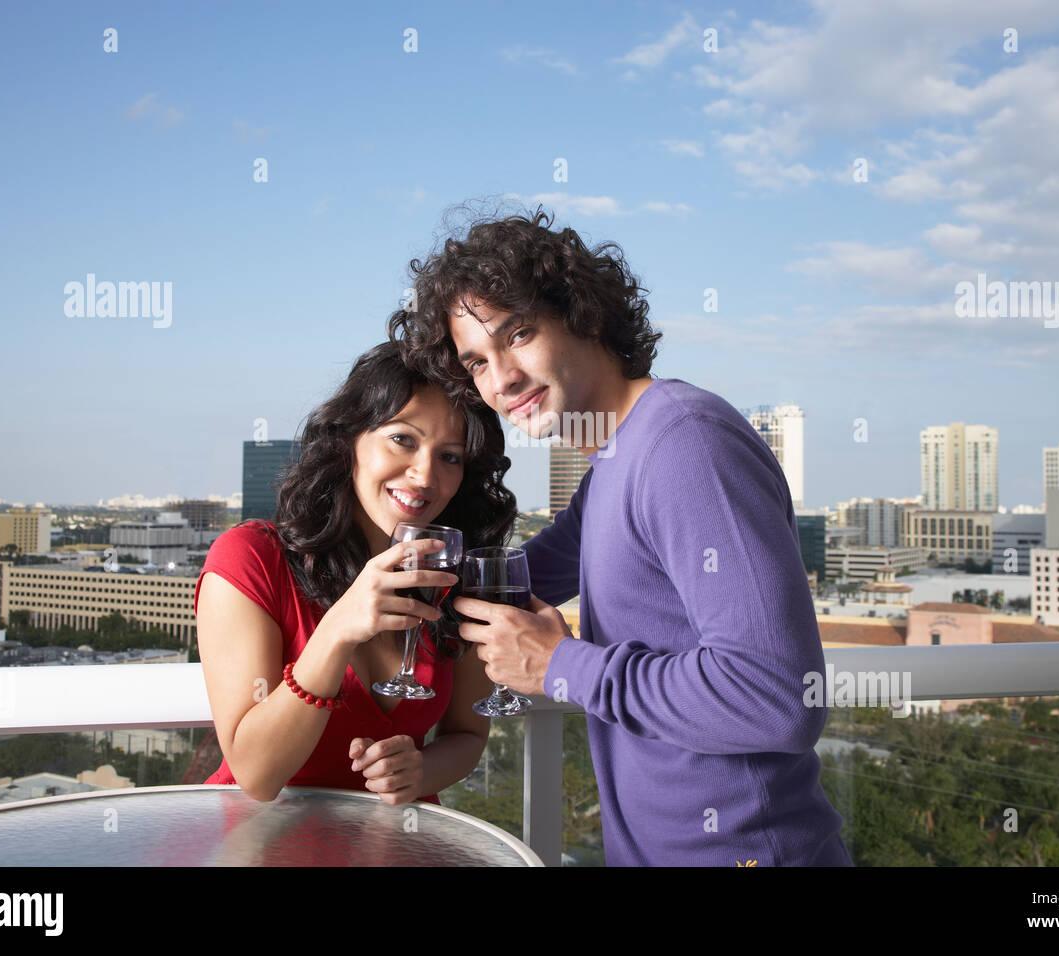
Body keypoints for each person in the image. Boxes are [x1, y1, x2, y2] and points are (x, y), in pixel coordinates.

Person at [391, 208, 854, 865]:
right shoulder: (615, 460)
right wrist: (382, 577)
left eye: (519, 334)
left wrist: (562, 666)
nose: (501, 380)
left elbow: (779, 699)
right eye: (477, 362)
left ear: (585, 315)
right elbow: (519, 576)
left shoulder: (685, 444)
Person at [193, 338, 515, 805]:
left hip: (392, 844)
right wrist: (336, 631)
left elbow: (467, 735)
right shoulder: (251, 559)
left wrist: (420, 771)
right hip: (260, 843)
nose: (424, 476)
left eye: (450, 456)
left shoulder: (450, 572)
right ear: (350, 440)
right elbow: (257, 776)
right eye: (403, 439)